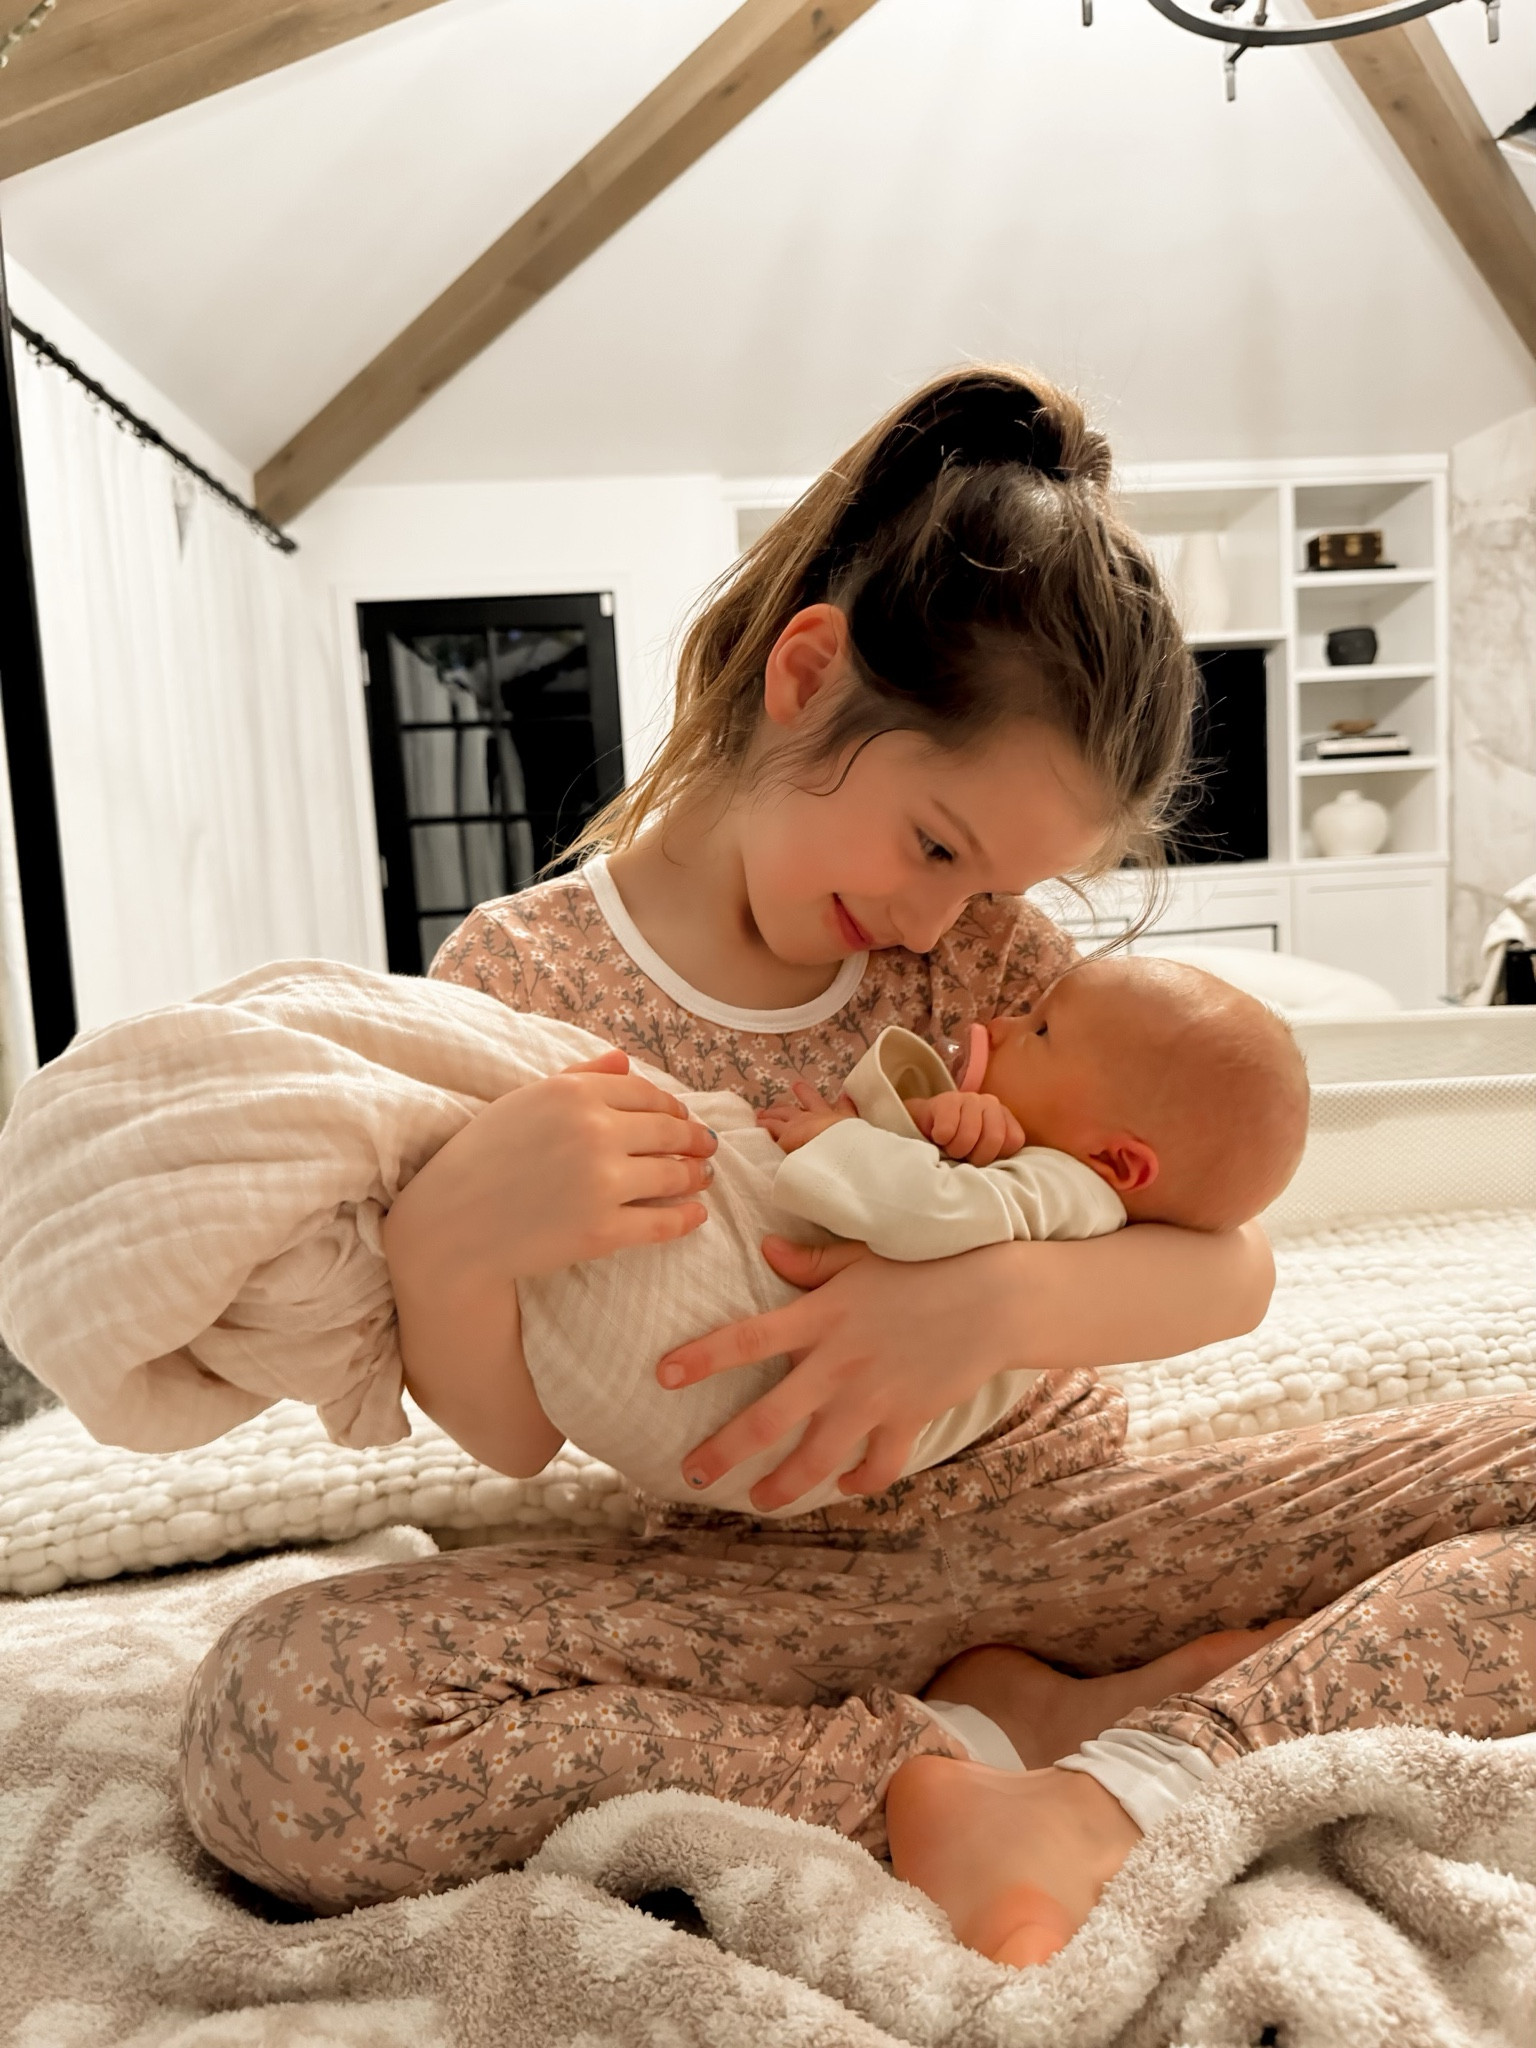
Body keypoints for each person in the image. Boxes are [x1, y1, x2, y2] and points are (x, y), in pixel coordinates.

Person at [179, 367, 1536, 1963]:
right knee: (289, 1731)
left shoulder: (989, 960)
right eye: (937, 846)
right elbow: (514, 1433)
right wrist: (449, 1248)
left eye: (996, 885)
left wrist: (984, 1306)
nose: (932, 922)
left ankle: (1124, 1747)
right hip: (756, 1589)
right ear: (808, 679)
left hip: (1074, 1522)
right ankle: (964, 1762)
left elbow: (1227, 1266)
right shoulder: (516, 983)